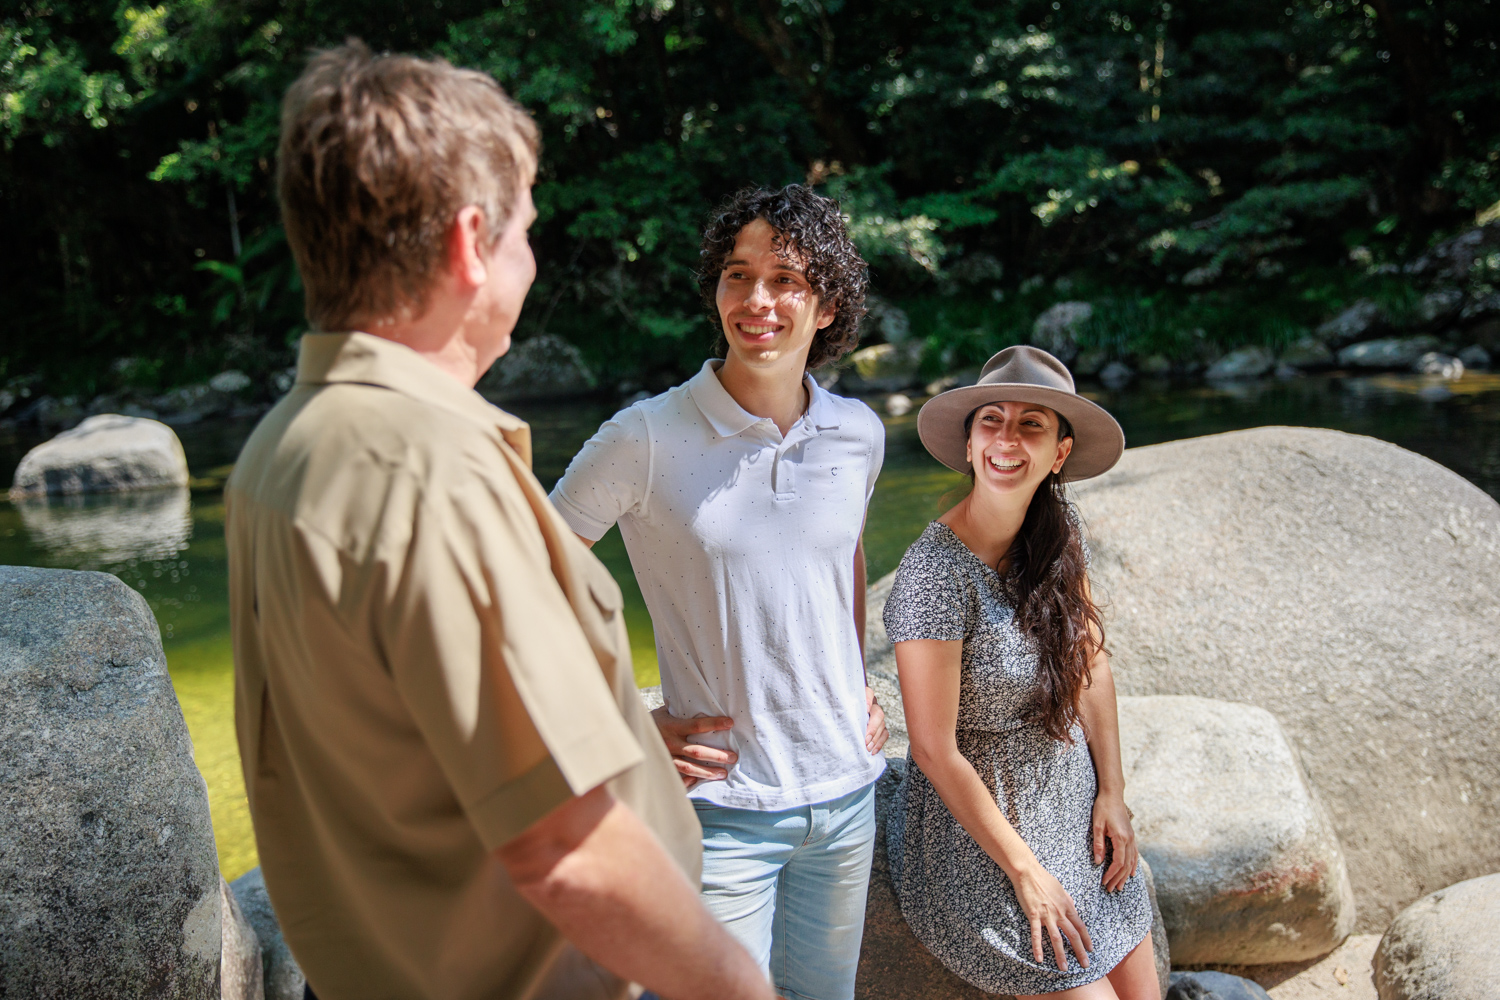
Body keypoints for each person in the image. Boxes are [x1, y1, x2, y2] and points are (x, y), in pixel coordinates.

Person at [225, 41, 771, 1000]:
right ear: (471, 244)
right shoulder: (430, 470)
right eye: (525, 229)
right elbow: (566, 847)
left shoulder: (283, 446)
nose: (531, 255)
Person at [549, 184, 889, 1000]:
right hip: (721, 809)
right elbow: (526, 583)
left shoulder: (858, 434)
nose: (757, 300)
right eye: (738, 275)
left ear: (828, 302)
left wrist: (859, 684)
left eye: (786, 279)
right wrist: (627, 721)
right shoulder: (644, 437)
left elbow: (840, 560)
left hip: (846, 801)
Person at [881, 345, 1157, 999]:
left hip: (1069, 796)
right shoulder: (933, 572)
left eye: (1031, 424)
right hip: (979, 830)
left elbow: (1089, 658)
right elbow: (932, 748)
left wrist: (1112, 794)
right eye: (992, 421)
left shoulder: (1060, 528)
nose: (1007, 439)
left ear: (1060, 451)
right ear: (972, 442)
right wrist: (1027, 872)